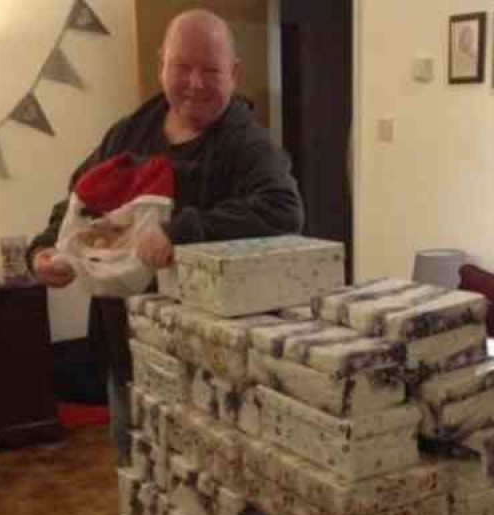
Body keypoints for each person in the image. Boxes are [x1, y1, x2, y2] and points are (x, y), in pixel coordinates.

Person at [27, 9, 304, 464]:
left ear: (233, 73)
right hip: (126, 345)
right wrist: (45, 248)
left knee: (202, 475)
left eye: (211, 70)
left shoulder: (249, 143)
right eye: (182, 67)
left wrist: (182, 232)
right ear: (162, 65)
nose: (195, 82)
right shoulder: (128, 132)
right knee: (133, 462)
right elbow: (79, 199)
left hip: (207, 358)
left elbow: (284, 210)